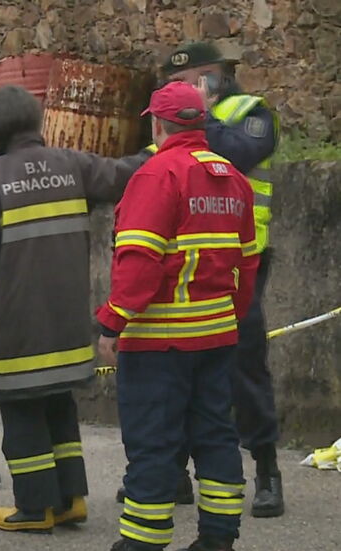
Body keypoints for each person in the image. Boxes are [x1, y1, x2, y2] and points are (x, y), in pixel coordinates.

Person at [0, 85, 146, 534]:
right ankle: (71, 499)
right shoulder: (71, 165)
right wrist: (166, 144)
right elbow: (124, 175)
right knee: (60, 405)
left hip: (15, 320)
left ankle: (36, 508)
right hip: (68, 321)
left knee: (21, 411)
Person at [86, 82, 258, 551]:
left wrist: (112, 321)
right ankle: (218, 547)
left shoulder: (155, 174)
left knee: (154, 443)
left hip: (160, 339)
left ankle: (140, 550)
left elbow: (139, 260)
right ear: (200, 123)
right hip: (217, 336)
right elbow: (246, 267)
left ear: (157, 126)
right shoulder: (233, 179)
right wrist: (231, 318)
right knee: (217, 438)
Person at [115, 41, 283, 517]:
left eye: (196, 80)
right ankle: (175, 475)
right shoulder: (173, 122)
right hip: (180, 267)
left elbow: (235, 153)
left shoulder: (251, 114)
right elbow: (143, 168)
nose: (186, 89)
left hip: (238, 261)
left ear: (219, 75)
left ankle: (267, 470)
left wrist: (196, 114)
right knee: (179, 374)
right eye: (177, 85)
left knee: (244, 366)